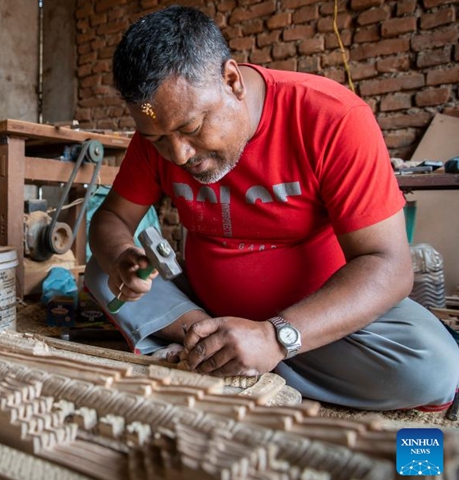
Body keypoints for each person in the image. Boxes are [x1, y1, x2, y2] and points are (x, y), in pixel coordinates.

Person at [85, 6, 459, 411]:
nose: (178, 154)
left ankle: (230, 353)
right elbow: (112, 219)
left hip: (311, 321)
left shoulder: (330, 117)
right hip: (202, 310)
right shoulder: (160, 129)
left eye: (190, 129)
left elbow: (389, 265)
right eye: (157, 138)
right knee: (103, 270)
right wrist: (123, 256)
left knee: (433, 367)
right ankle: (221, 346)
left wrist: (276, 336)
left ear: (231, 80)